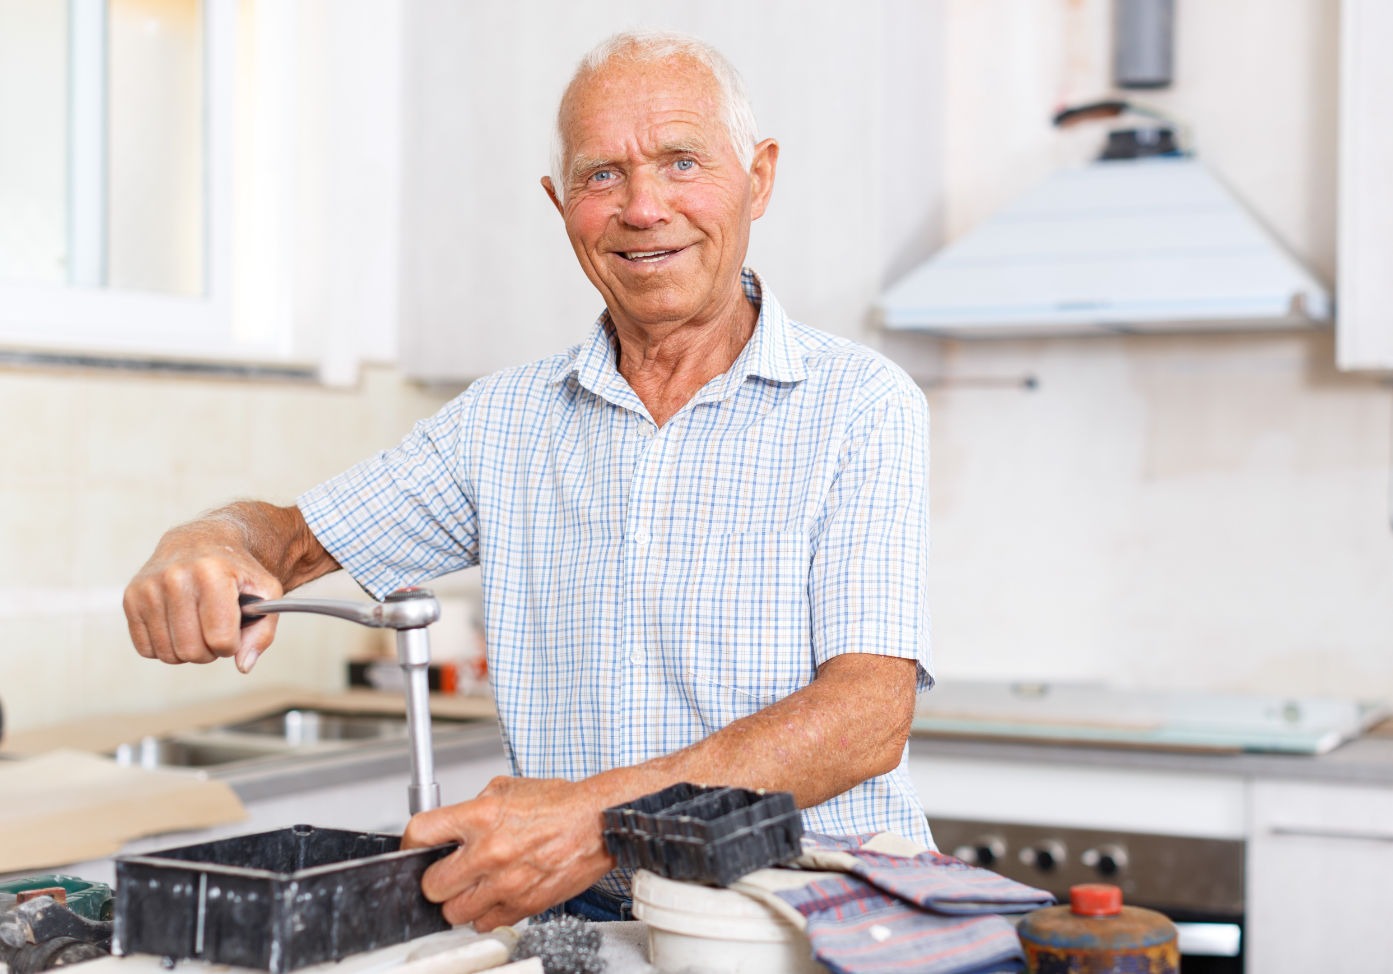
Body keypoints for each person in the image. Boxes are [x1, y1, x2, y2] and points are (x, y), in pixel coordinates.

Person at [122, 29, 933, 931]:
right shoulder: (503, 421)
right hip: (588, 926)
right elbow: (293, 540)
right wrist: (211, 541)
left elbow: (867, 713)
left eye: (680, 161)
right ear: (559, 203)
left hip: (809, 919)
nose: (642, 207)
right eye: (600, 176)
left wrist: (603, 819)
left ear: (759, 178)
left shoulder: (859, 403)